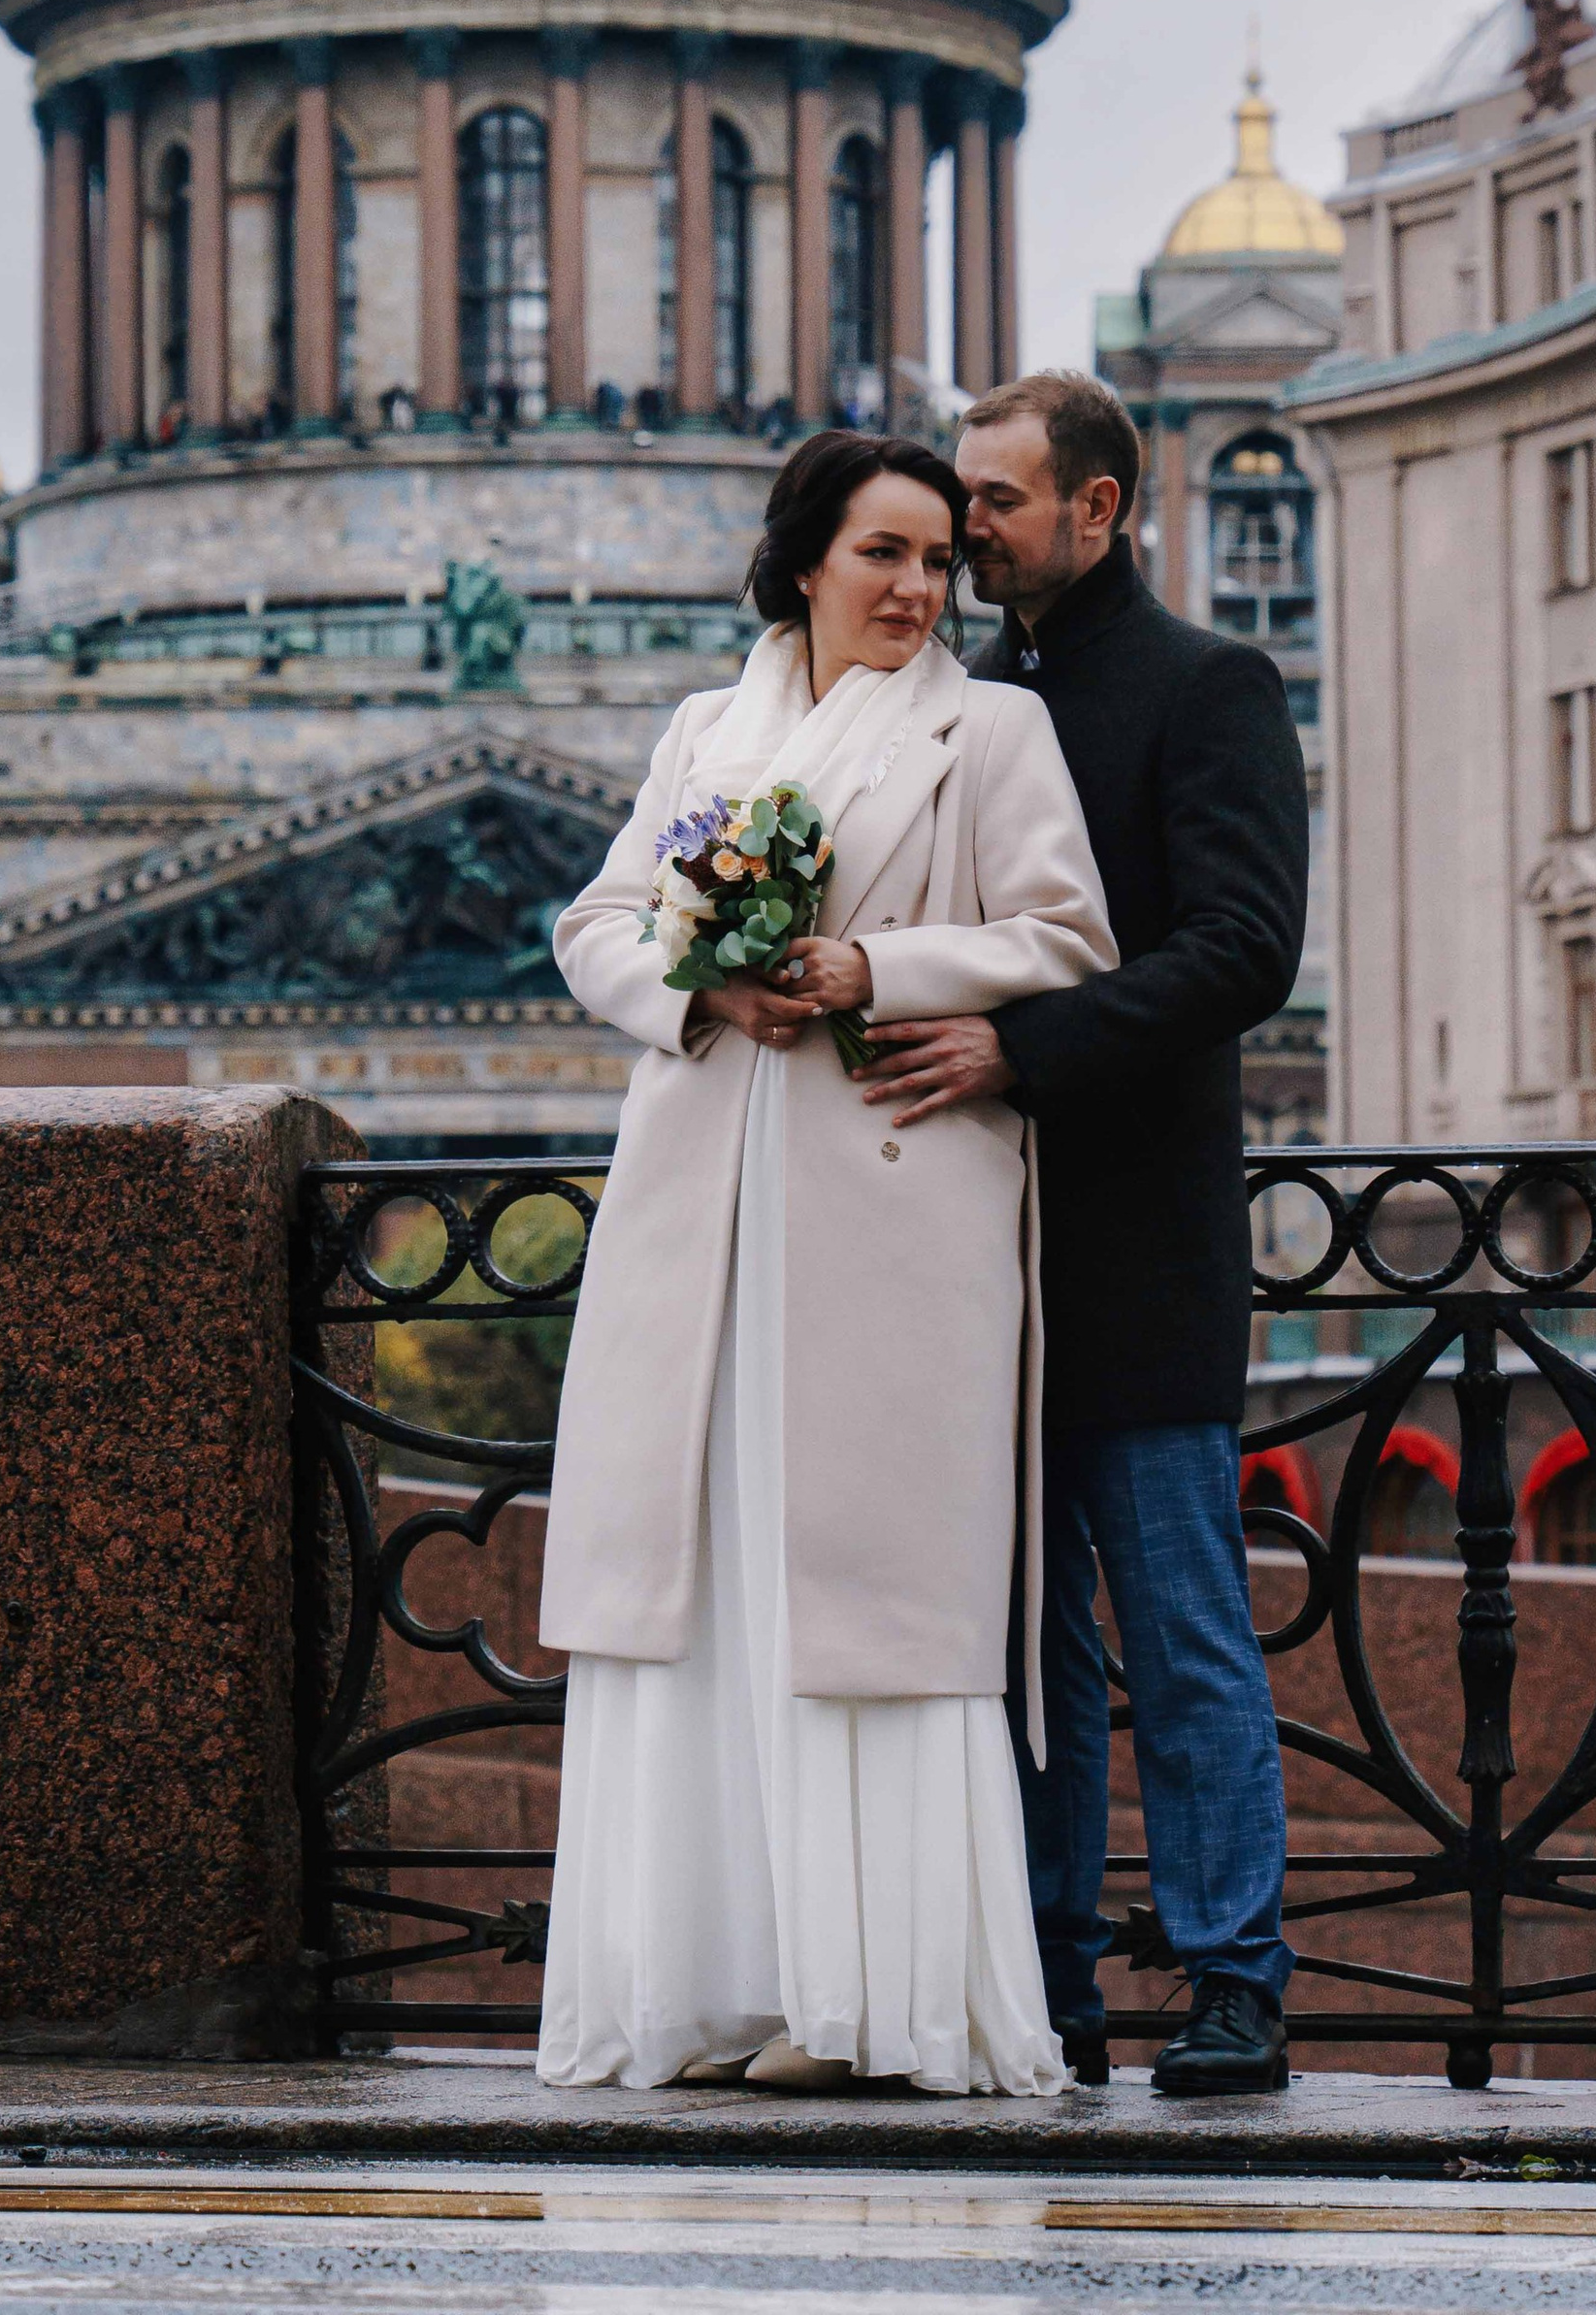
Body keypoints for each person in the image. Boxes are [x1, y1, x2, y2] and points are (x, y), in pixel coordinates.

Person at [536, 431, 1117, 2093]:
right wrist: (697, 989)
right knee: (704, 1602)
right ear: (804, 561)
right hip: (705, 1223)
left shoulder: (990, 727)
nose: (918, 589)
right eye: (883, 554)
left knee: (866, 1608)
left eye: (939, 560)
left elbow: (1065, 940)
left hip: (886, 1224)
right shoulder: (707, 730)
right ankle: (717, 1985)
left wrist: (875, 963)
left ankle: (876, 2005)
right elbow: (597, 923)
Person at [859, 372, 1309, 2100]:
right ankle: (1045, 1979)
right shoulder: (953, 701)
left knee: (1181, 1629)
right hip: (967, 1255)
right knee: (1019, 1650)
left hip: (1131, 1247)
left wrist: (1017, 1048)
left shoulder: (1206, 685)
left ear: (1098, 511)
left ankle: (1233, 1981)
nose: (962, 526)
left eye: (993, 500)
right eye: (957, 497)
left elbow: (1244, 950)